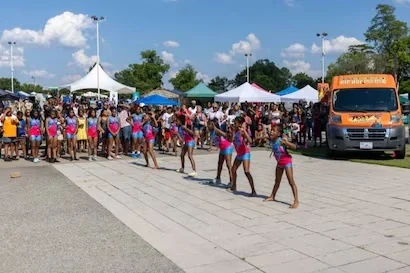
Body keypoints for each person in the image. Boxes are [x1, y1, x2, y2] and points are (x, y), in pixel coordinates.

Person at [264, 125, 299, 209]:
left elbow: (294, 147)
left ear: (278, 133)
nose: (271, 132)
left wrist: (286, 143)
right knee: (277, 181)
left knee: (291, 181)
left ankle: (296, 201)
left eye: (273, 131)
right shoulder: (272, 140)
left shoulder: (281, 141)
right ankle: (272, 196)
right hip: (279, 163)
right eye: (271, 130)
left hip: (287, 162)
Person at [228, 116, 256, 197]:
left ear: (240, 124)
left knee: (246, 171)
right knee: (233, 170)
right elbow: (230, 140)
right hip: (239, 154)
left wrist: (245, 133)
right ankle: (234, 186)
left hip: (245, 153)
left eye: (236, 123)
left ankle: (253, 190)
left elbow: (250, 141)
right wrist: (231, 132)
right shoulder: (235, 131)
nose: (234, 124)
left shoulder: (242, 132)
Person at [208, 120, 233, 186]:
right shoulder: (211, 132)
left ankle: (232, 181)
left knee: (228, 164)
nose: (208, 126)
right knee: (220, 164)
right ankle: (218, 178)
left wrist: (216, 128)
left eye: (209, 124)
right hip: (222, 148)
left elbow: (225, 135)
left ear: (213, 125)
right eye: (208, 124)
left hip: (227, 147)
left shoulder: (216, 131)